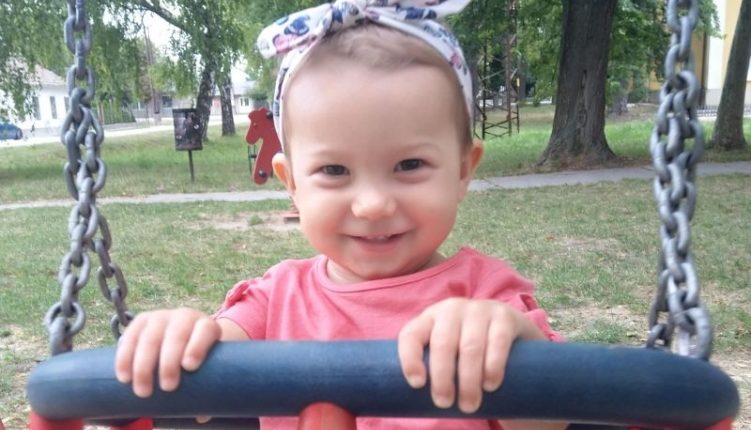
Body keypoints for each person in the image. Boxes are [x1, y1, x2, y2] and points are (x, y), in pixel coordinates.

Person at [115, 1, 566, 429]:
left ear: (463, 170)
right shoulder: (275, 300)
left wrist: (508, 344)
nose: (372, 205)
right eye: (334, 170)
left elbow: (554, 418)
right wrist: (180, 338)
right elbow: (202, 378)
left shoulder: (486, 296)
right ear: (292, 183)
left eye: (409, 165)